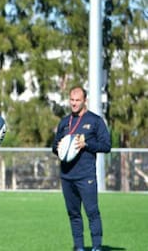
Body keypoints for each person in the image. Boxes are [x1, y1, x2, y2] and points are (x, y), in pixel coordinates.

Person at [52, 86, 111, 251]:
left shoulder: (95, 121)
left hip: (86, 176)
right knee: (74, 215)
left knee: (92, 212)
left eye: (77, 100)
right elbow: (54, 146)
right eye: (71, 100)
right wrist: (61, 147)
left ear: (85, 100)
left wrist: (86, 144)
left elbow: (106, 146)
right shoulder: (64, 122)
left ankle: (97, 247)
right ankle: (79, 247)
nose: (74, 103)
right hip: (67, 176)